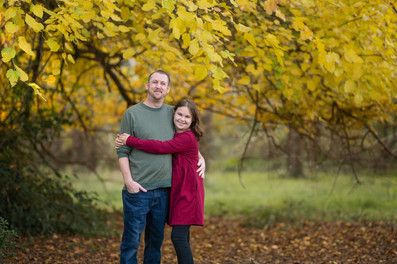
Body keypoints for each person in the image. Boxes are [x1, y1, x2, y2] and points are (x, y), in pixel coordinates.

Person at [116, 70, 205, 264]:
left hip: (165, 191)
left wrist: (200, 156)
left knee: (155, 245)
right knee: (131, 243)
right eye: (154, 82)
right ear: (147, 85)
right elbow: (122, 151)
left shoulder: (173, 113)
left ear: (168, 89)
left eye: (163, 83)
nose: (158, 86)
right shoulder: (132, 113)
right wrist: (128, 181)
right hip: (138, 189)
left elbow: (178, 141)